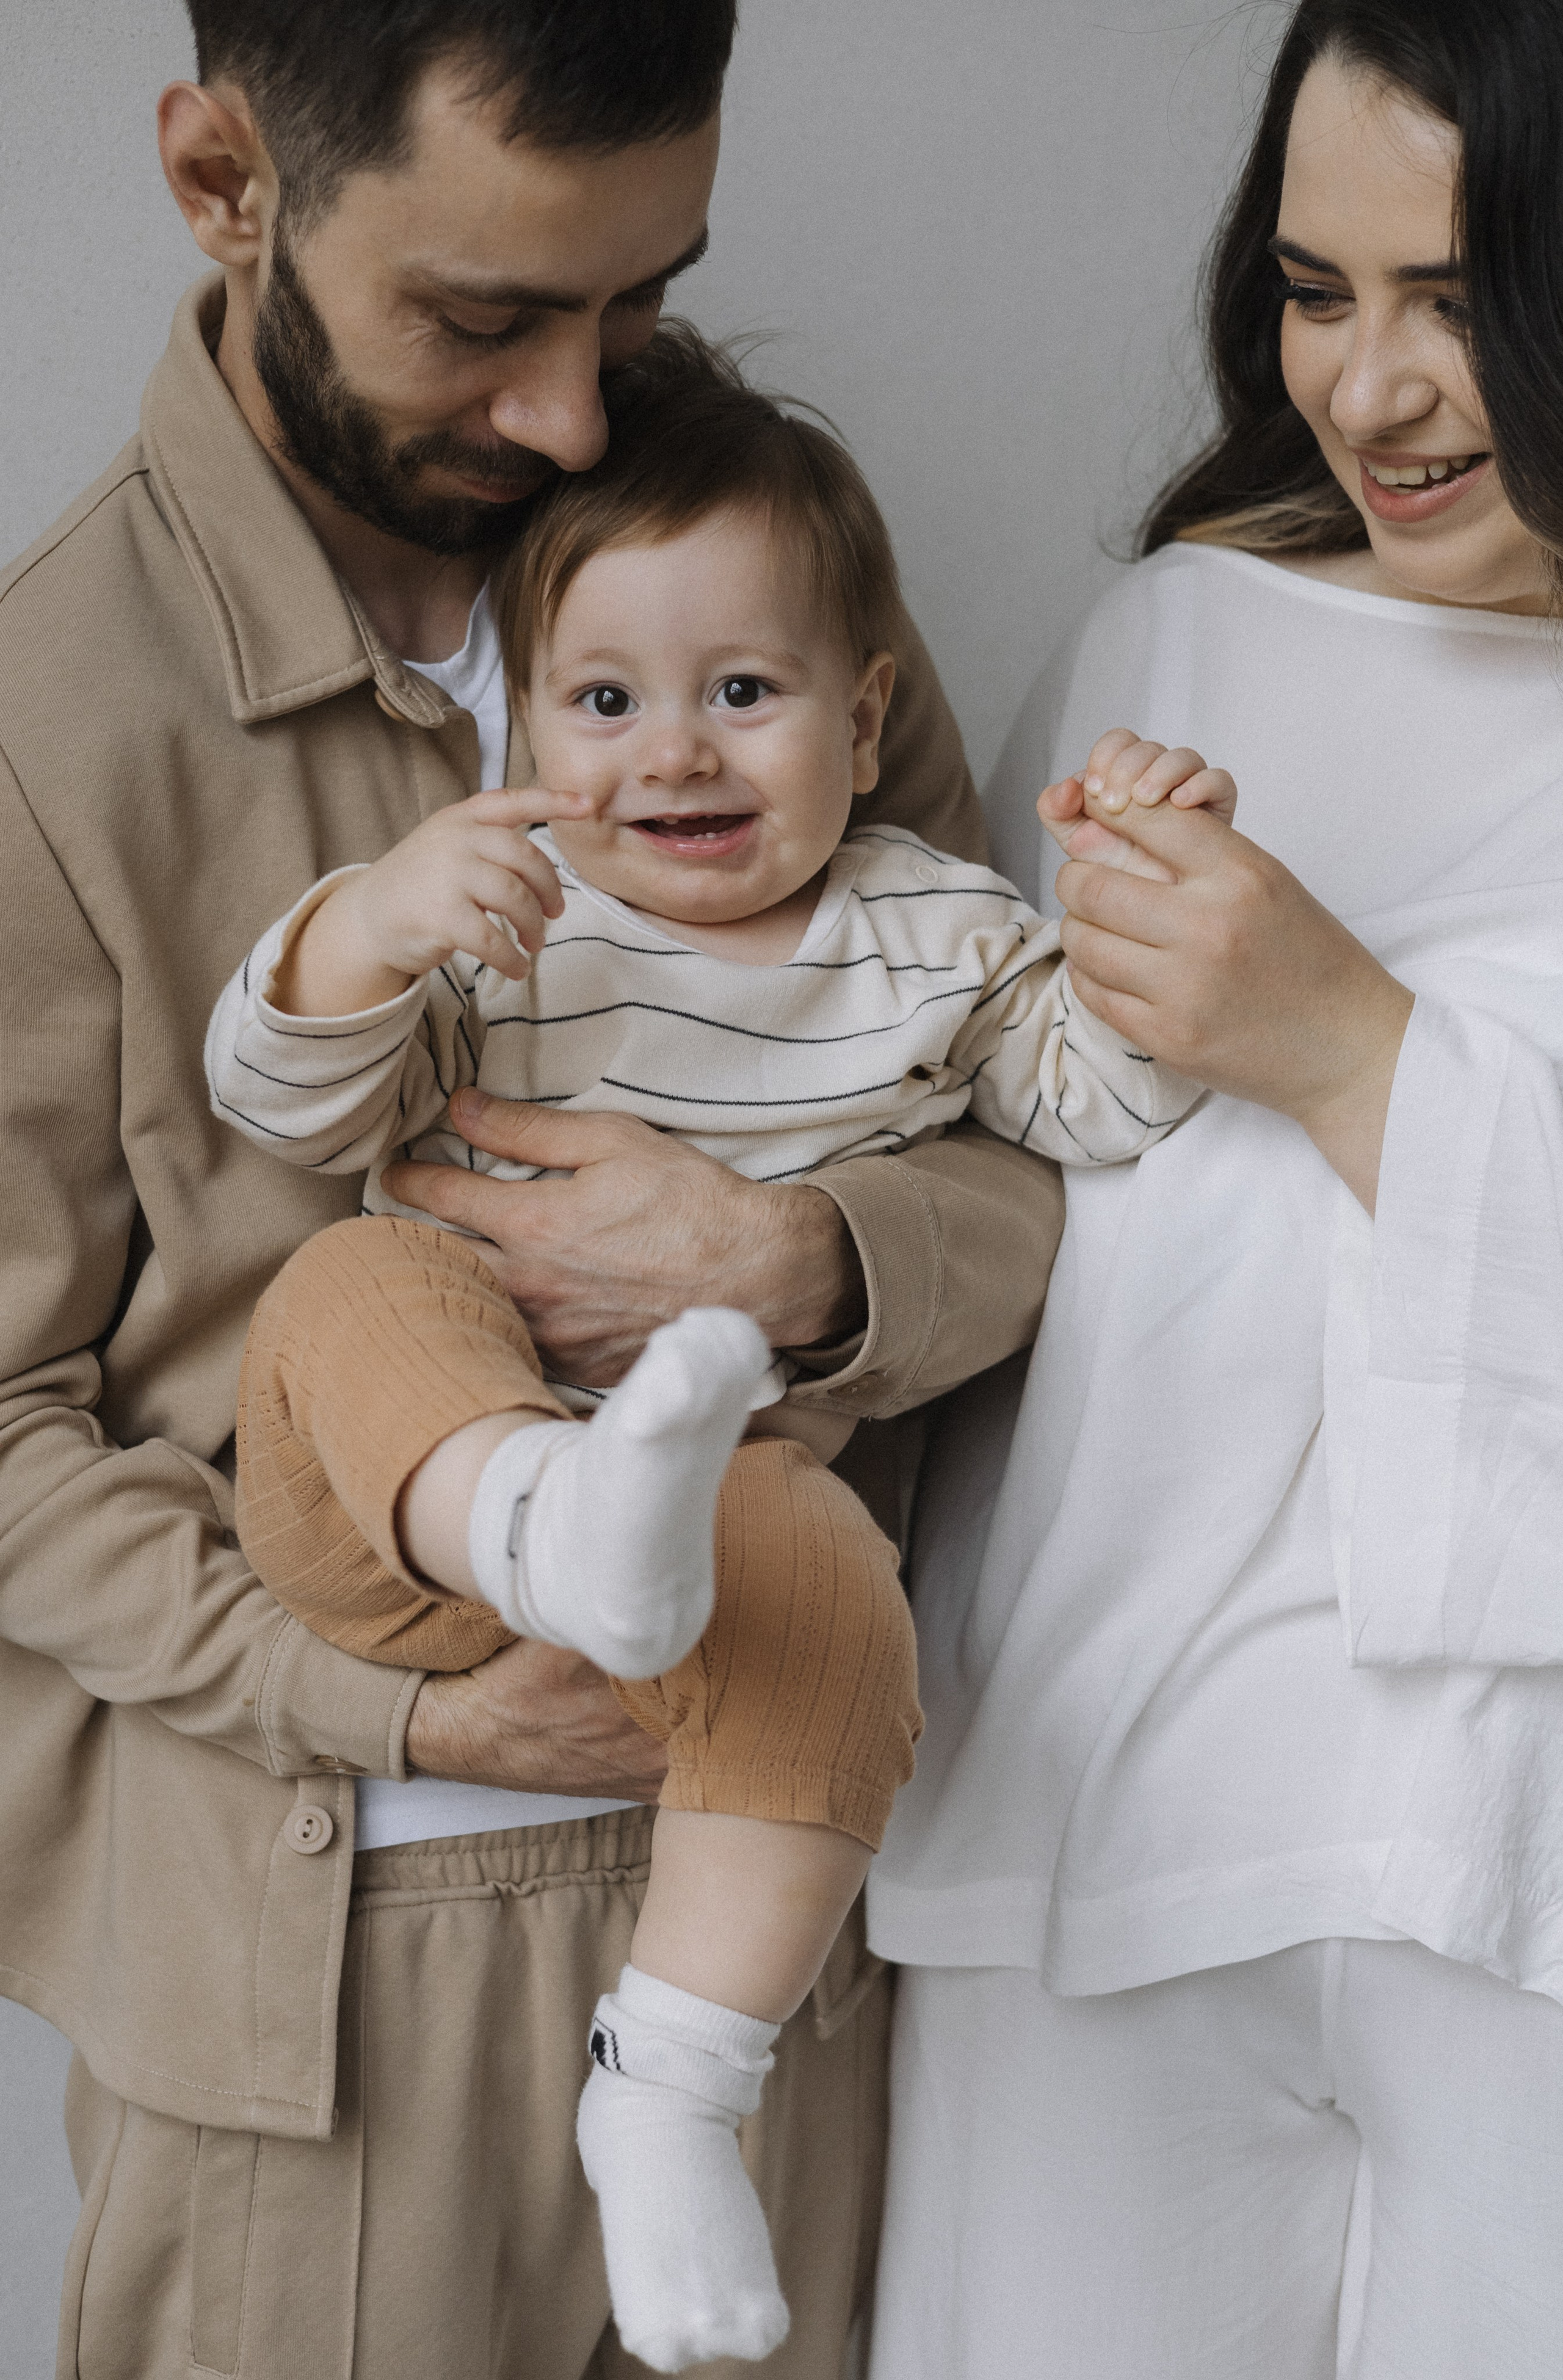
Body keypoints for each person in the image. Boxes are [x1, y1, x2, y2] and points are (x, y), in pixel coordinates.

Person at [0, 8, 1067, 2375]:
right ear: (222, 179)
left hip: (768, 1918)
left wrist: (800, 1264)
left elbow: (1017, 1140)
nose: (582, 412)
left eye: (643, 299)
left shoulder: (778, 573)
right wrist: (400, 1716)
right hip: (322, 1998)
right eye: (485, 319)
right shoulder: (49, 716)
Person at [205, 332, 1227, 2371]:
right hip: (410, 1520)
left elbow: (1105, 1116)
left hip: (712, 1541)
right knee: (351, 1289)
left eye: (743, 695)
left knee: (840, 1584)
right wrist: (368, 924)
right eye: (603, 701)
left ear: (862, 720)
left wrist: (1131, 898)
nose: (670, 754)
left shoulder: (929, 932)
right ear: (523, 723)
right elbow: (280, 1101)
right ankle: (552, 1508)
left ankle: (671, 2084)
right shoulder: (512, 911)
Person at [866, 3, 1563, 2375]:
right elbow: (961, 1153)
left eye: (1460, 297)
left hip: (1520, 1893)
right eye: (1311, 285)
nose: (1365, 392)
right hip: (1109, 1817)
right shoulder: (1175, 637)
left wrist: (1354, 1054)